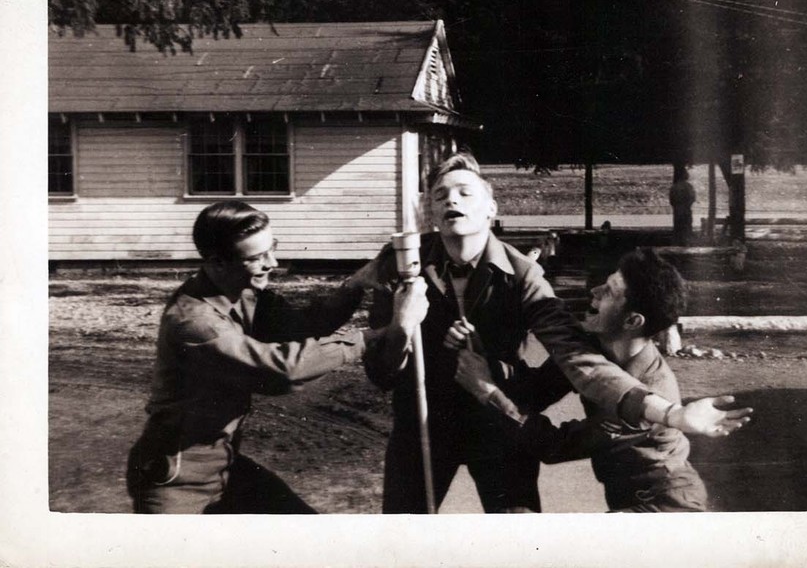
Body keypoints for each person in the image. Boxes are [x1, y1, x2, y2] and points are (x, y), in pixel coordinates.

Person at [361, 152, 749, 513]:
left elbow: (576, 358)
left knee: (522, 543)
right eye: (440, 194)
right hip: (422, 430)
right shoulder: (401, 266)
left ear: (491, 209)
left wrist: (672, 412)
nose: (451, 200)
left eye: (465, 192)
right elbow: (380, 373)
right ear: (430, 209)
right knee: (402, 540)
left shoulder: (524, 276)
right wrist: (401, 327)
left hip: (503, 436)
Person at [125, 200, 428, 514]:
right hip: (177, 478)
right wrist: (373, 337)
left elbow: (302, 325)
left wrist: (356, 284)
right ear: (217, 263)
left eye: (273, 248)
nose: (273, 262)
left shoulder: (241, 291)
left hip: (224, 466)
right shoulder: (195, 323)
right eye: (257, 257)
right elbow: (281, 371)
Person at [455, 247, 748, 512]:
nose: (593, 292)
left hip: (666, 507)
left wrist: (487, 391)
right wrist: (486, 358)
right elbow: (533, 393)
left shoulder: (647, 393)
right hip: (629, 500)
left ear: (633, 321)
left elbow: (554, 446)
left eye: (608, 292)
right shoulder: (594, 349)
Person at [669, 166, 696, 246]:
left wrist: (677, 206)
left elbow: (671, 200)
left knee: (678, 229)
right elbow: (692, 198)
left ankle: (678, 245)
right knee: (687, 229)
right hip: (686, 211)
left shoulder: (674, 187)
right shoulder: (689, 186)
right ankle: (686, 245)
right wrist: (687, 205)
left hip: (677, 211)